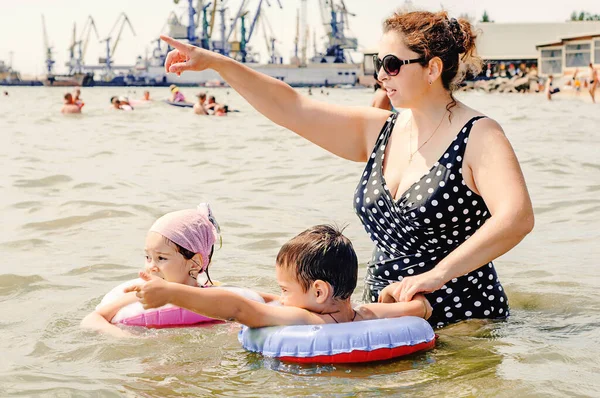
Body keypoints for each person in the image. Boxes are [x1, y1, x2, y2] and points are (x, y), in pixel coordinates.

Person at [158, 9, 534, 328]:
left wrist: (436, 275)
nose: (381, 75)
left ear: (432, 68)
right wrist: (217, 63)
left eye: (391, 64)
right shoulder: (380, 129)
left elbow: (516, 218)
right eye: (377, 64)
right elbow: (292, 108)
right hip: (382, 315)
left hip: (464, 319)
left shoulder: (479, 134)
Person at [127, 225, 432, 327]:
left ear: (318, 292)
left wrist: (170, 294)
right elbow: (420, 308)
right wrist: (395, 292)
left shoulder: (308, 320)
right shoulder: (365, 313)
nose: (282, 297)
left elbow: (236, 309)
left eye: (285, 290)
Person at [81, 204, 221, 337]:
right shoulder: (143, 295)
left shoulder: (214, 294)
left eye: (161, 258)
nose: (151, 267)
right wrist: (127, 338)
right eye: (148, 257)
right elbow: (92, 319)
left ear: (195, 263)